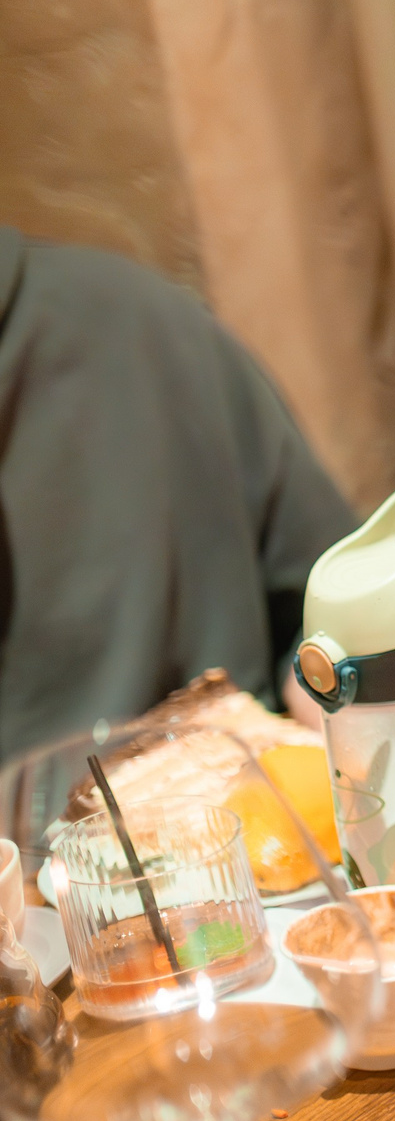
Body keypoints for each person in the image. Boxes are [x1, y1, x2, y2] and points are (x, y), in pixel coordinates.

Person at [0, 226, 352, 760]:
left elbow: (341, 622)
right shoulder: (137, 310)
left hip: (251, 810)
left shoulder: (138, 324)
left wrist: (343, 706)